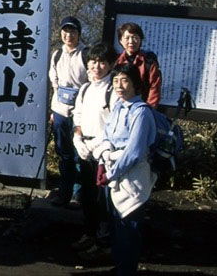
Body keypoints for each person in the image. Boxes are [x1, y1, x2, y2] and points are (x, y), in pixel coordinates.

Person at [93, 63, 157, 275]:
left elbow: (134, 151)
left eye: (125, 80)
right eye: (116, 80)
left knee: (130, 225)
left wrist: (110, 173)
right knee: (117, 224)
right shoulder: (119, 107)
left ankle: (127, 270)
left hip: (133, 176)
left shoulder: (141, 112)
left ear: (135, 84)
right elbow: (106, 137)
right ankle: (120, 266)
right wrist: (103, 162)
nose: (119, 85)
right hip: (114, 174)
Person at [72, 43, 117, 253]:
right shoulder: (85, 88)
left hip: (104, 153)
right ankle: (89, 233)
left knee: (103, 199)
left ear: (110, 65)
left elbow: (114, 124)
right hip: (85, 148)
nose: (97, 66)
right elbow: (78, 116)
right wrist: (78, 139)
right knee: (87, 197)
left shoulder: (112, 90)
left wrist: (97, 146)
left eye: (102, 62)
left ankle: (104, 241)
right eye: (93, 62)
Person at [48, 16, 89, 206]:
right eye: (65, 31)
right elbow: (54, 84)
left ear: (79, 34)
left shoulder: (86, 54)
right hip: (60, 112)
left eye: (72, 31)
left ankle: (77, 194)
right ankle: (63, 192)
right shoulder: (56, 55)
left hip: (80, 113)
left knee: (78, 153)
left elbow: (91, 83)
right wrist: (53, 111)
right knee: (63, 154)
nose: (68, 35)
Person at [114, 22, 162, 108]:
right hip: (119, 107)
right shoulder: (116, 61)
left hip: (141, 107)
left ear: (140, 39)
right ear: (120, 40)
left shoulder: (148, 62)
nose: (131, 41)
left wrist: (148, 109)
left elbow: (154, 88)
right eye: (127, 38)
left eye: (135, 37)